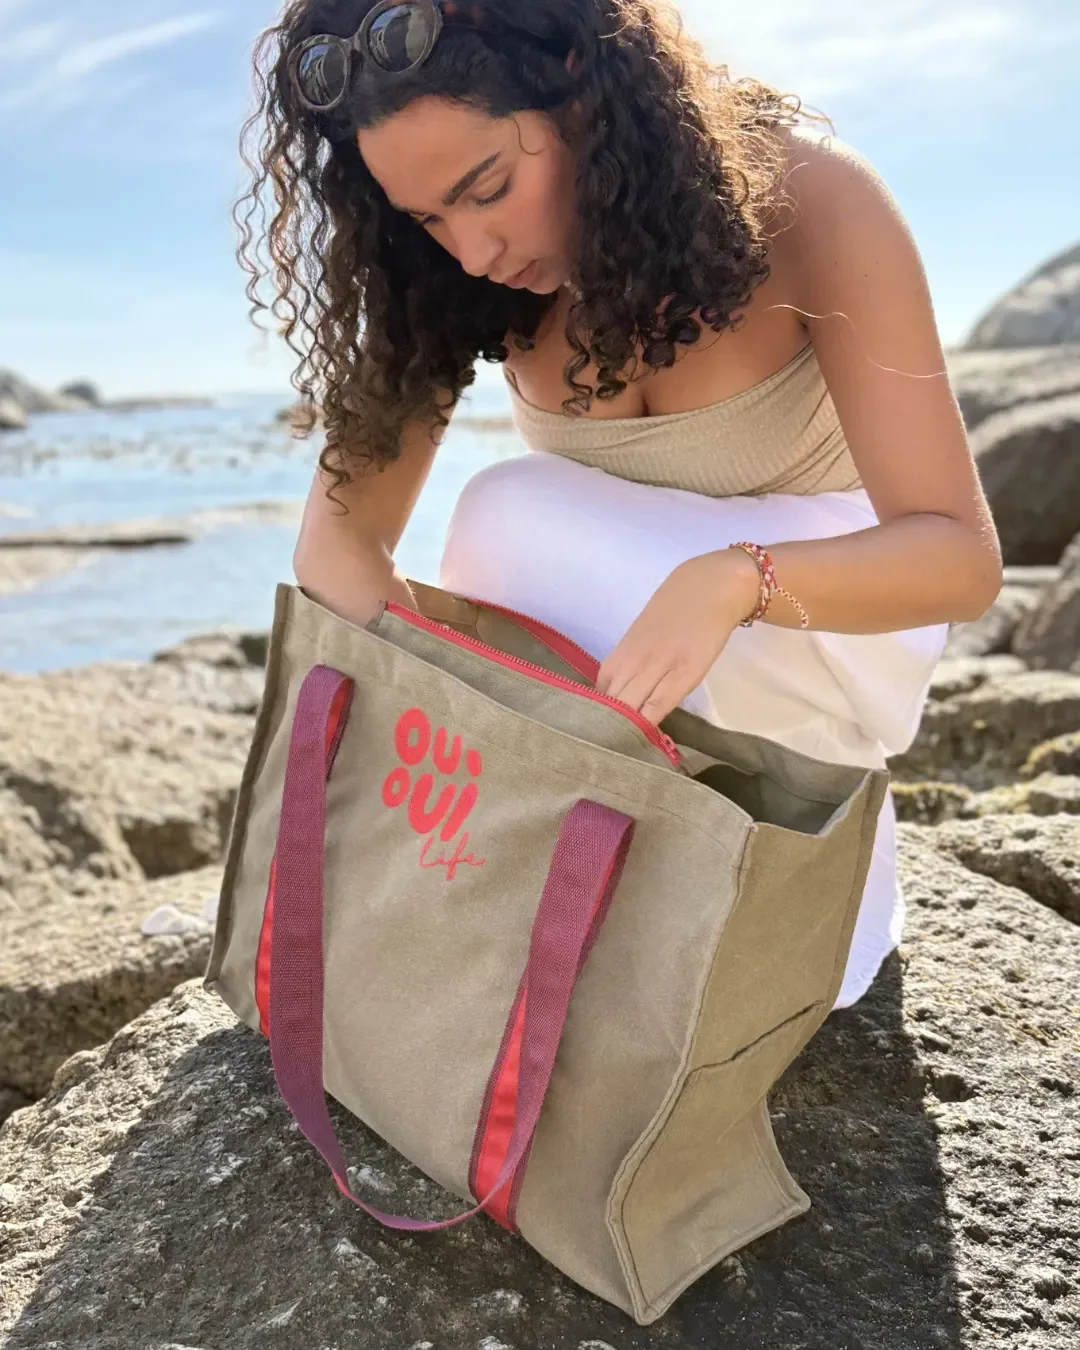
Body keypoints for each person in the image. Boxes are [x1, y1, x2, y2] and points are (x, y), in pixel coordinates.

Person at [236, 0, 1003, 1008]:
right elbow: (337, 557)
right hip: (611, 720)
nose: (471, 249)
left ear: (580, 84)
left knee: (507, 511)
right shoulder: (458, 275)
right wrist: (471, 724)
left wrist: (737, 580)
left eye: (490, 189)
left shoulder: (808, 199)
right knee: (506, 517)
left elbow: (959, 560)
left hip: (813, 657)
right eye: (429, 218)